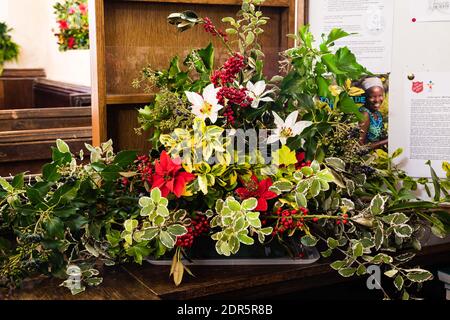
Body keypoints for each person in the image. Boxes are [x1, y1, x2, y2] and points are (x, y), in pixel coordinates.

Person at [359, 77, 388, 149]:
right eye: (372, 97)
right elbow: (359, 147)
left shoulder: (377, 114)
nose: (377, 100)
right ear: (364, 97)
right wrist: (387, 141)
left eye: (380, 95)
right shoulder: (364, 114)